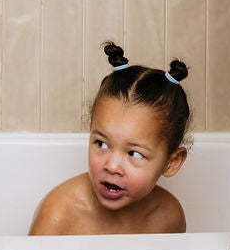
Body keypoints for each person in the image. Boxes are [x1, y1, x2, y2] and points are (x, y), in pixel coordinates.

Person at [29, 42, 190, 235]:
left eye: (134, 153)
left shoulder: (167, 216)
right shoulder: (59, 214)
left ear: (171, 163)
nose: (112, 166)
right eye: (102, 143)